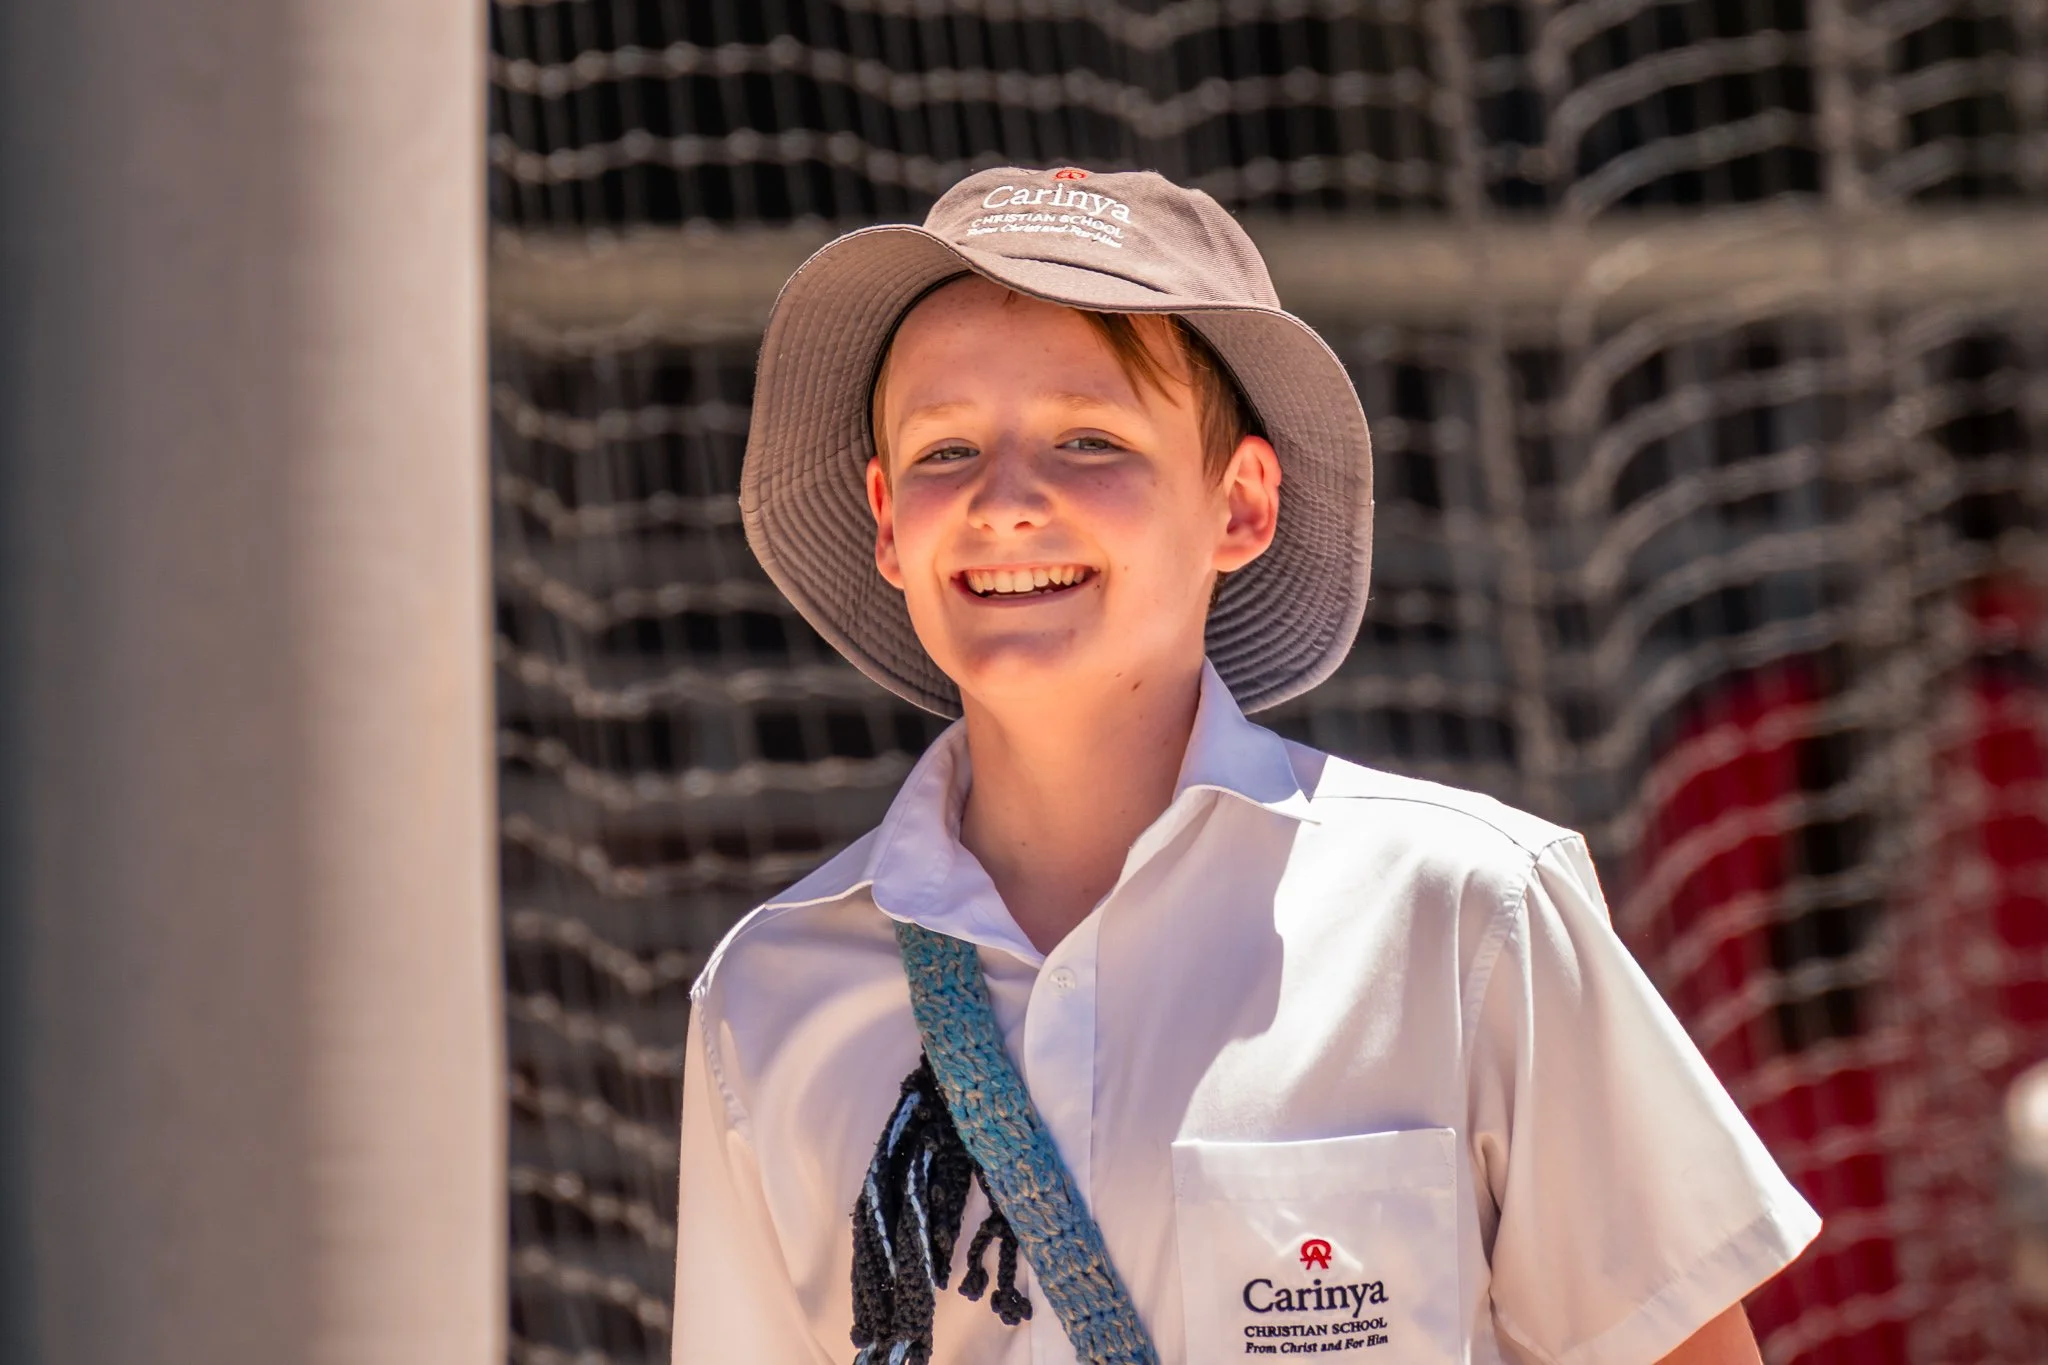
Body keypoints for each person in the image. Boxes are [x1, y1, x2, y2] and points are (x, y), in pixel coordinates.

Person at [674, 166, 1820, 1365]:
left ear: (1240, 505)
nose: (1004, 502)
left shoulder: (1463, 916)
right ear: (885, 522)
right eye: (945, 449)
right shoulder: (765, 997)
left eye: (1086, 439)